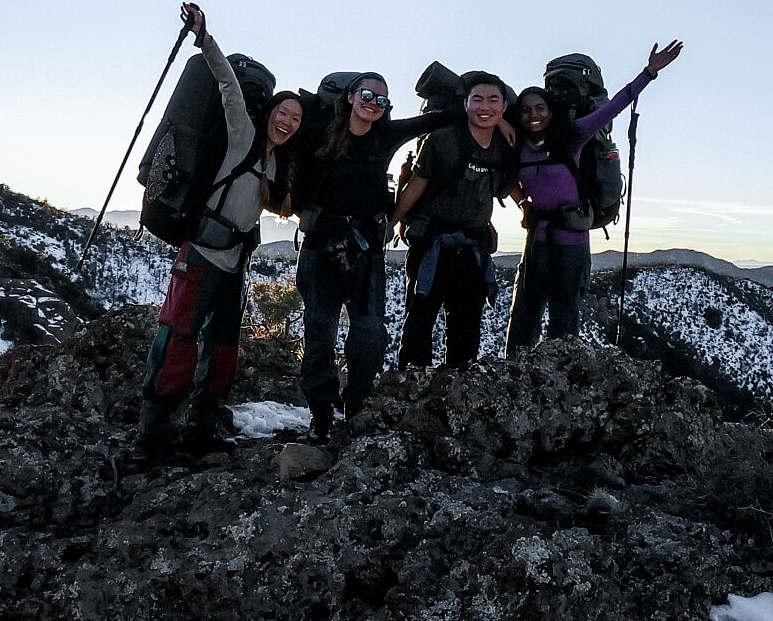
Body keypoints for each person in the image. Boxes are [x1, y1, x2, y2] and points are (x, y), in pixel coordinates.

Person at [137, 3, 303, 463]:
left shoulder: (273, 160)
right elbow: (228, 84)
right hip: (202, 253)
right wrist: (205, 37)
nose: (287, 121)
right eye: (284, 112)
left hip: (234, 262)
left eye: (296, 119)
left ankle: (202, 426)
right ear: (270, 110)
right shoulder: (242, 131)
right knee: (177, 338)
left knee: (224, 346)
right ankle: (153, 435)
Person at [287, 73, 460, 441]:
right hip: (320, 248)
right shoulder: (318, 132)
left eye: (382, 99)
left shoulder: (385, 135)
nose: (374, 103)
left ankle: (357, 409)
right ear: (350, 96)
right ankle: (321, 414)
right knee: (320, 333)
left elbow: (435, 120)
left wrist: (482, 105)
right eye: (368, 95)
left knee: (368, 335)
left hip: (366, 252)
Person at [506, 41, 683, 351]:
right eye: (526, 110)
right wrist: (523, 203)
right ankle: (514, 376)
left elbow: (615, 105)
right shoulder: (516, 145)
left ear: (550, 111)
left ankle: (560, 377)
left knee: (565, 314)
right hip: (537, 239)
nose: (533, 115)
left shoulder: (573, 134)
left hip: (572, 241)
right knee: (524, 312)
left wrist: (650, 72)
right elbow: (507, 180)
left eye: (540, 108)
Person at [393, 73, 515, 372]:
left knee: (466, 329)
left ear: (504, 107)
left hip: (472, 248)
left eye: (493, 100)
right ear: (465, 103)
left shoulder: (505, 144)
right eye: (477, 99)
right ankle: (411, 392)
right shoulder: (442, 139)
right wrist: (390, 222)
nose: (484, 106)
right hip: (432, 243)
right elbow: (417, 184)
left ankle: (457, 393)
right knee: (419, 323)